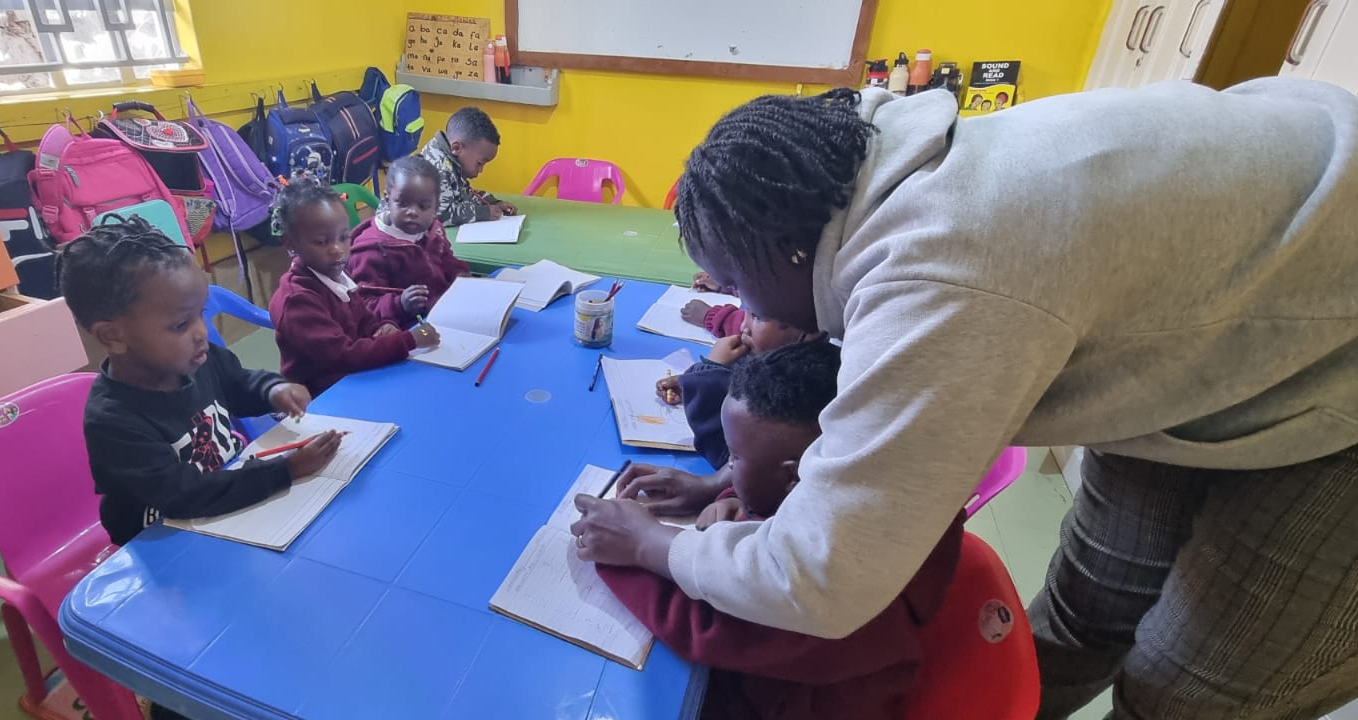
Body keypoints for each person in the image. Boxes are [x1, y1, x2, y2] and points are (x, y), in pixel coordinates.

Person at [568, 79, 1358, 719]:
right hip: (1215, 334)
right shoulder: (877, 165)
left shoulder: (939, 277)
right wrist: (727, 482)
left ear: (791, 250)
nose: (749, 310)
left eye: (740, 282)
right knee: (1090, 609)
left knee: (1189, 694)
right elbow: (854, 438)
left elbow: (820, 579)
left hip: (1334, 365)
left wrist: (650, 546)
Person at [586, 342, 964, 720]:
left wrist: (631, 543)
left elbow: (709, 624)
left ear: (792, 475)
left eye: (734, 457)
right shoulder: (874, 484)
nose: (728, 466)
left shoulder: (833, 582)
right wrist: (731, 495)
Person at [59, 217, 341, 547]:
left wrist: (272, 389)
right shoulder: (113, 421)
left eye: (200, 314)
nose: (202, 333)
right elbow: (183, 495)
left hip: (227, 505)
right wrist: (285, 471)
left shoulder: (196, 359)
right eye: (181, 325)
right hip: (164, 540)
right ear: (113, 336)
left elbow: (238, 383)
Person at [269, 180, 439, 396]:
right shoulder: (297, 301)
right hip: (323, 397)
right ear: (290, 243)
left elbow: (365, 319)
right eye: (321, 242)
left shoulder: (335, 275)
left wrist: (384, 327)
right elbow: (342, 356)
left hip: (357, 378)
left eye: (344, 237)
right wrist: (408, 340)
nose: (337, 250)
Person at [654, 311, 825, 468]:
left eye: (757, 316)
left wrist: (709, 375)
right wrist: (694, 383)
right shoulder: (774, 359)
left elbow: (724, 454)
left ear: (810, 330)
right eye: (746, 312)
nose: (743, 326)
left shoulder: (801, 392)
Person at [347, 156, 472, 327]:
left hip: (445, 311)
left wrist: (459, 273)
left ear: (435, 207)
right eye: (403, 203)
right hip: (408, 327)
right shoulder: (370, 251)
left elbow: (445, 259)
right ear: (387, 199)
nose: (413, 212)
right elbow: (364, 305)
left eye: (423, 206)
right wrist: (400, 304)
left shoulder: (433, 229)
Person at [419, 106, 518, 226]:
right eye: (480, 163)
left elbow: (464, 194)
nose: (481, 170)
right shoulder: (438, 169)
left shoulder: (452, 162)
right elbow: (441, 215)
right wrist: (482, 213)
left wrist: (492, 202)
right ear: (457, 148)